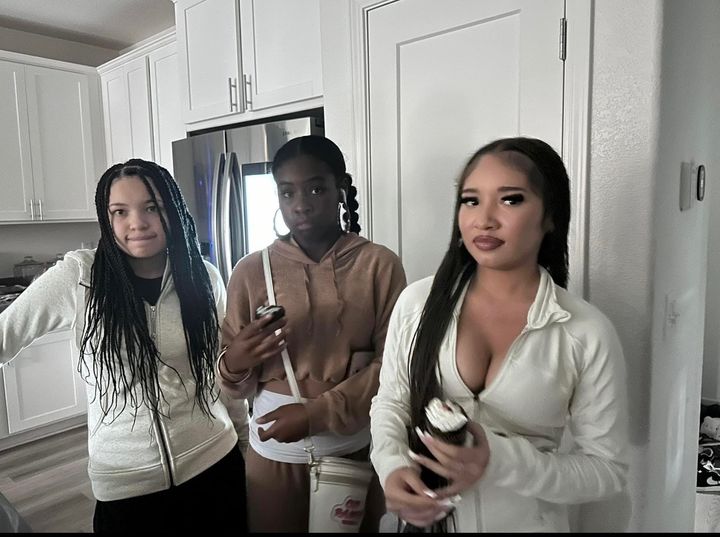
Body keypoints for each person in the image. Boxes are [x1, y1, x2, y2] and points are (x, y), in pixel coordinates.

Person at [369, 137, 629, 532]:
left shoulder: (584, 331)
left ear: (550, 216)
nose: (484, 219)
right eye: (471, 200)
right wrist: (391, 466)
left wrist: (500, 460)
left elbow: (606, 469)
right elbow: (391, 401)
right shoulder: (417, 303)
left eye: (510, 199)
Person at [0, 159, 248, 533]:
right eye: (120, 211)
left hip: (215, 460)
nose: (137, 223)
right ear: (106, 217)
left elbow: (220, 368)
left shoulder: (205, 278)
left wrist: (243, 439)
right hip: (125, 485)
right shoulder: (79, 278)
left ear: (173, 211)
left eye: (152, 207)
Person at [217, 135, 407, 532]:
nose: (300, 204)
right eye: (287, 193)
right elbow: (230, 381)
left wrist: (316, 413)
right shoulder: (251, 270)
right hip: (273, 450)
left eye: (316, 188)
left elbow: (393, 367)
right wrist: (236, 361)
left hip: (350, 449)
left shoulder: (379, 265)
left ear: (340, 189)